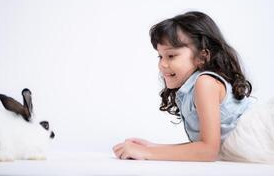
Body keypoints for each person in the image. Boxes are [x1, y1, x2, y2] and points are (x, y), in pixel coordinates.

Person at [113, 11, 274, 163]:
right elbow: (205, 146)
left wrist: (147, 153)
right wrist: (153, 147)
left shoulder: (205, 83)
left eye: (171, 56)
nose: (162, 64)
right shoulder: (193, 88)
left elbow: (208, 151)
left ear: (202, 57)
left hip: (264, 131)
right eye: (160, 56)